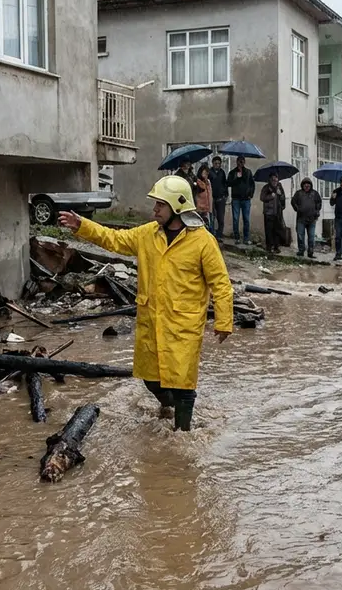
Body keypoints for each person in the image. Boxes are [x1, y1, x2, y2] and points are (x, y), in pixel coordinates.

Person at [57, 176, 233, 432]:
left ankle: (181, 435)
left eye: (160, 205)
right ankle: (168, 405)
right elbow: (113, 239)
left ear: (176, 206)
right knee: (151, 380)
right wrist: (81, 225)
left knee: (183, 385)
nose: (155, 210)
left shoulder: (202, 241)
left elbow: (220, 283)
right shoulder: (147, 235)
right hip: (151, 321)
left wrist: (224, 321)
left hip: (183, 325)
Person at [290, 177, 322, 258]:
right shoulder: (298, 193)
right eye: (305, 184)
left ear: (311, 185)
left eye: (308, 184)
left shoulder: (315, 193)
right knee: (300, 235)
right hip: (301, 219)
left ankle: (310, 252)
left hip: (312, 220)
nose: (307, 185)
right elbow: (293, 201)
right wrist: (297, 209)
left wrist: (317, 211)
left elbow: (319, 202)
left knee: (311, 237)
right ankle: (301, 251)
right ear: (302, 185)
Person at [227, 157, 256, 245]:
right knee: (235, 219)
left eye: (242, 162)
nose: (240, 163)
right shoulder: (232, 172)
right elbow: (228, 183)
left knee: (246, 219)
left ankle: (246, 238)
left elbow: (252, 184)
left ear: (244, 162)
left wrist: (251, 195)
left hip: (246, 199)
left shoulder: (248, 172)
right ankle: (237, 238)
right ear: (237, 162)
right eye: (239, 162)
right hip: (236, 198)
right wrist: (236, 177)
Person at [260, 173, 286, 254]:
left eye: (276, 179)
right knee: (269, 230)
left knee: (277, 230)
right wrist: (271, 196)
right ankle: (269, 247)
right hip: (269, 212)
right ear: (270, 180)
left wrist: (280, 194)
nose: (274, 181)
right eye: (273, 179)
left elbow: (283, 198)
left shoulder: (279, 187)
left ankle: (276, 247)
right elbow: (262, 198)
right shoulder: (266, 187)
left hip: (277, 212)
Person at [208, 156, 229, 241]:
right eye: (215, 163)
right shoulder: (209, 172)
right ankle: (212, 234)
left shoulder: (222, 172)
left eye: (219, 163)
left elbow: (225, 184)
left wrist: (225, 195)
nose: (217, 165)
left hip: (221, 198)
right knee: (212, 217)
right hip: (212, 198)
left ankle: (220, 234)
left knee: (220, 218)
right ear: (212, 164)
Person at [195, 164, 213, 229]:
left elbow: (210, 195)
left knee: (208, 226)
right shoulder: (197, 182)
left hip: (207, 208)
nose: (206, 175)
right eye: (204, 172)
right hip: (199, 208)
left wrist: (210, 209)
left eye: (207, 174)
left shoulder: (208, 182)